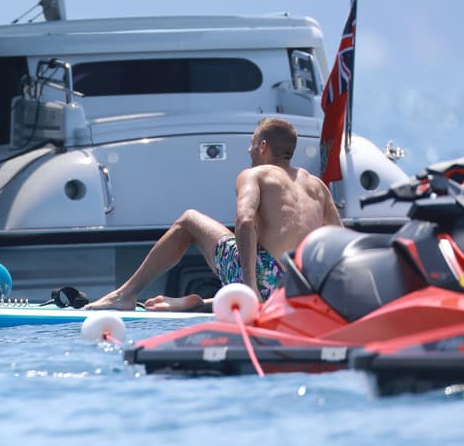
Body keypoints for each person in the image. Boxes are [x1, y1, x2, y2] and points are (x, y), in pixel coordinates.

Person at [86, 117, 343, 311]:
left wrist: (250, 288)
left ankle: (125, 295)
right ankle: (198, 304)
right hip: (299, 287)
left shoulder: (255, 174)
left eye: (252, 143)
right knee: (256, 261)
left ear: (263, 146)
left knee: (189, 220)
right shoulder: (317, 186)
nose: (249, 150)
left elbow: (244, 221)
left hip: (264, 281)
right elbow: (340, 240)